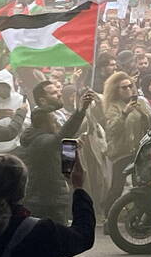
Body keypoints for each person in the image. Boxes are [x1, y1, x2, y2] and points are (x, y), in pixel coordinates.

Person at [19, 91, 98, 224]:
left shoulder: (41, 139)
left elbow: (65, 166)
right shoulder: (40, 141)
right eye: (53, 119)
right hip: (45, 201)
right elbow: (61, 136)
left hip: (50, 198)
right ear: (44, 123)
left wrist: (72, 146)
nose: (56, 122)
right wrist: (81, 111)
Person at [102, 71, 151, 210]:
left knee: (140, 184)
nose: (128, 89)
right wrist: (124, 113)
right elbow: (112, 130)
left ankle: (137, 214)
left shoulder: (140, 102)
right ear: (116, 90)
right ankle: (107, 213)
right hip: (121, 151)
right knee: (117, 186)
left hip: (138, 150)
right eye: (124, 87)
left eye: (130, 86)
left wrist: (143, 112)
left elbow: (149, 124)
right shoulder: (113, 106)